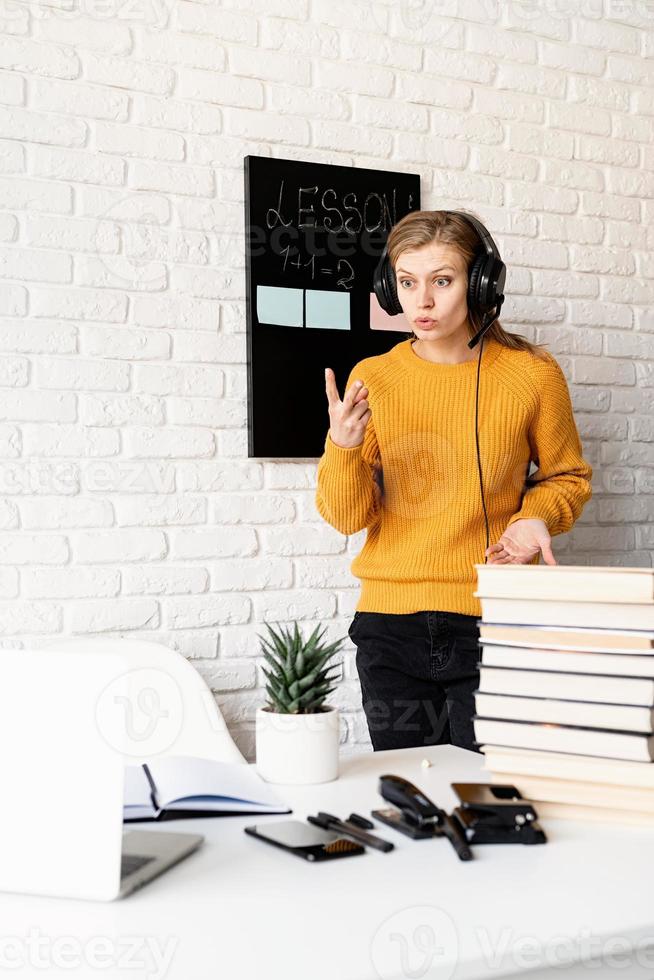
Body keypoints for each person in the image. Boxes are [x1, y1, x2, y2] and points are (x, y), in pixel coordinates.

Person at [315, 209, 593, 754]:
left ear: (482, 282)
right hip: (389, 628)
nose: (422, 301)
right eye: (408, 282)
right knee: (409, 800)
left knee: (489, 798)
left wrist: (534, 516)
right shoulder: (374, 377)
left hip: (492, 621)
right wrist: (343, 447)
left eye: (442, 281)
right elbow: (348, 517)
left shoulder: (532, 374)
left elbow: (567, 477)